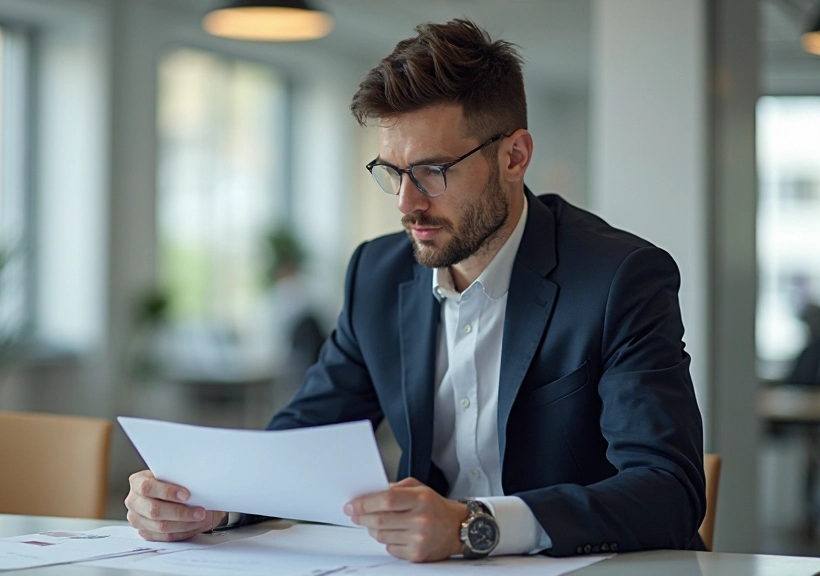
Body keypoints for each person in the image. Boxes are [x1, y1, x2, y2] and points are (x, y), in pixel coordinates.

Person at [125, 18, 706, 562]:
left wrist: (474, 526)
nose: (407, 204)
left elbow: (668, 491)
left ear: (514, 156)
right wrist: (207, 502)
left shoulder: (619, 277)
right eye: (392, 172)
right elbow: (302, 444)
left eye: (433, 171)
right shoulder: (377, 276)